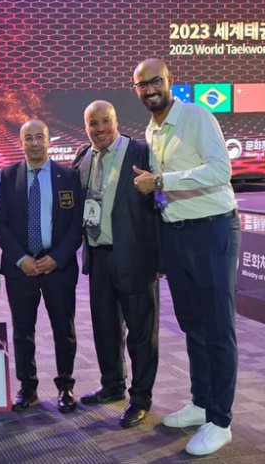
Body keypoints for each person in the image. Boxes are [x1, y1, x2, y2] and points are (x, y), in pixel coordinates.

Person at [132, 58, 240, 455]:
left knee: (218, 327)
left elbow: (220, 171)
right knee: (192, 324)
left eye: (155, 81)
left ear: (169, 81)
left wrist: (162, 180)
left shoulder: (196, 116)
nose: (149, 89)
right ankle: (202, 402)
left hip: (212, 230)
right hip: (177, 235)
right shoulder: (152, 129)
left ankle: (221, 421)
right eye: (142, 85)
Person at [73, 101, 160, 427]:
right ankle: (112, 385)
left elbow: (161, 206)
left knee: (141, 332)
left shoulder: (141, 152)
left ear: (116, 119)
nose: (100, 129)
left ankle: (141, 398)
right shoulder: (83, 157)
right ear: (86, 127)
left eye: (105, 121)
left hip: (135, 257)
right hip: (99, 256)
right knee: (105, 327)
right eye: (93, 123)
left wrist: (160, 258)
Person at [0, 119, 82, 414]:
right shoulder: (7, 176)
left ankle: (65, 386)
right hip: (21, 268)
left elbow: (76, 225)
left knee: (64, 330)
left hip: (58, 266)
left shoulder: (68, 176)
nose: (34, 142)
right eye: (28, 138)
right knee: (22, 331)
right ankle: (27, 387)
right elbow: (0, 224)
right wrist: (21, 259)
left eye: (39, 137)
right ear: (21, 142)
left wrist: (58, 257)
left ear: (48, 140)